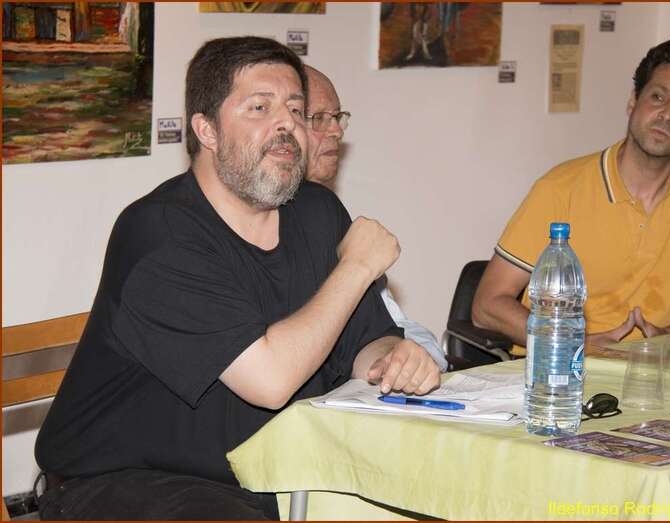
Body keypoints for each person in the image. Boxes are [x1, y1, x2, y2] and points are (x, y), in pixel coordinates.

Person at [34, 36, 439, 520]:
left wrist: (393, 359)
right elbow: (269, 381)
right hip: (128, 481)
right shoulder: (158, 233)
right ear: (206, 130)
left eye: (295, 109)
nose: (286, 125)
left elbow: (366, 344)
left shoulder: (318, 212)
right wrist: (356, 267)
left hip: (271, 471)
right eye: (259, 108)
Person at [473, 38, 670, 354]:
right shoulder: (560, 188)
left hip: (656, 368)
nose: (667, 115)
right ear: (633, 101)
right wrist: (577, 345)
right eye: (658, 97)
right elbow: (487, 306)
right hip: (560, 366)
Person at [303, 64, 448, 371]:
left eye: (337, 117)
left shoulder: (328, 214)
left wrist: (405, 361)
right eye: (318, 118)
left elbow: (392, 325)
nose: (336, 130)